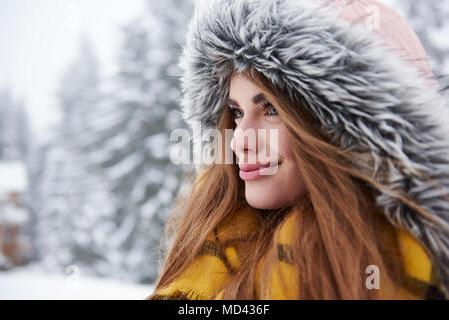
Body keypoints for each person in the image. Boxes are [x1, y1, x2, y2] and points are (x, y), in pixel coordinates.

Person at [148, 0, 449, 299]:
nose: (239, 141)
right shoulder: (213, 253)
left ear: (348, 133)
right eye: (236, 112)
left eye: (270, 109)